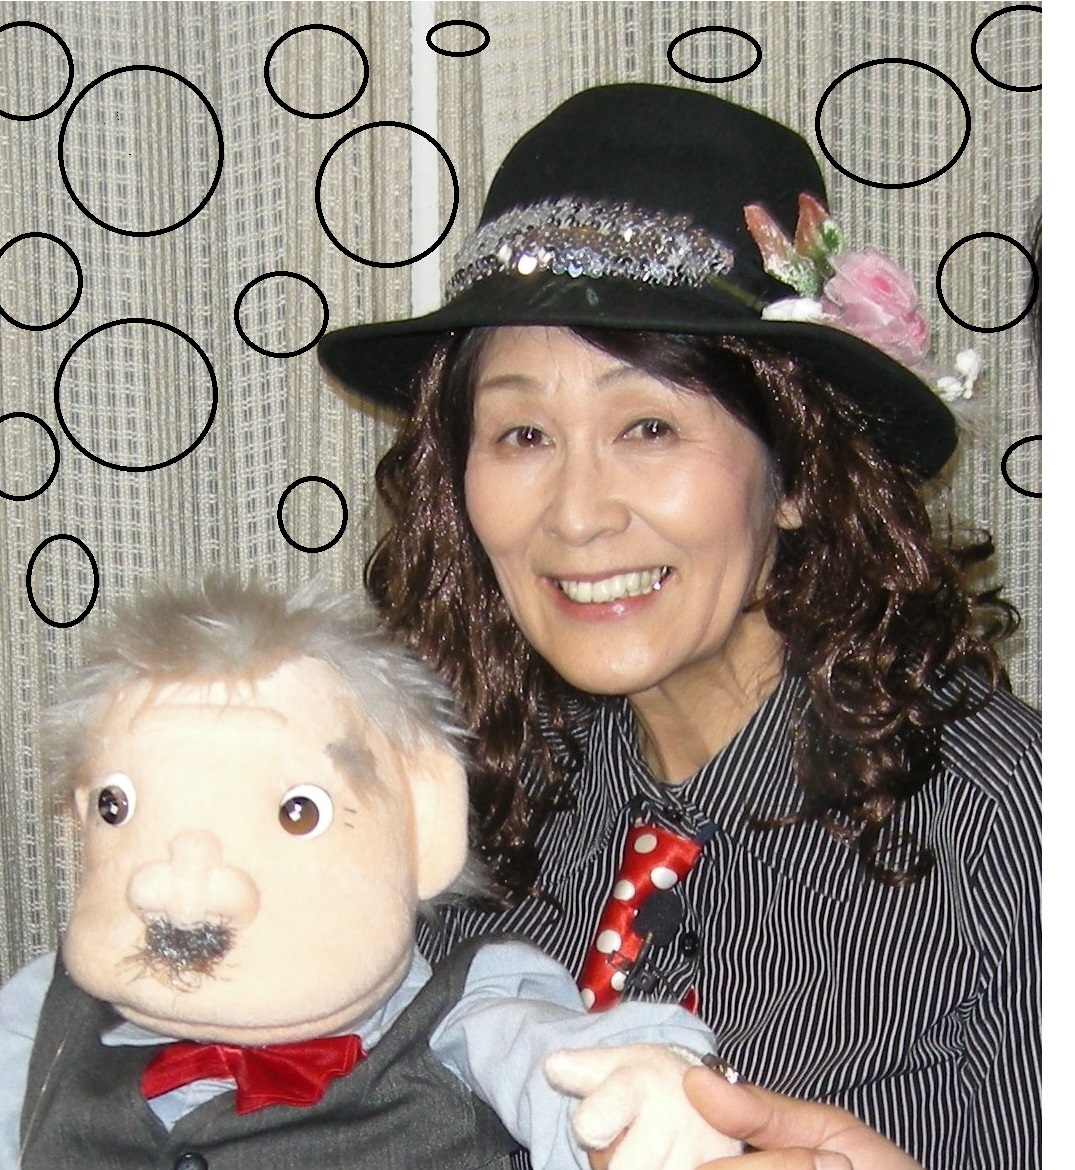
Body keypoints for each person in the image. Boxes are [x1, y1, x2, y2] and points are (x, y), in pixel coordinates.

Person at [317, 84, 1040, 1169]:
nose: (576, 515)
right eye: (521, 435)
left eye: (648, 426)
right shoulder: (456, 789)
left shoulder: (1009, 818)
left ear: (799, 472)